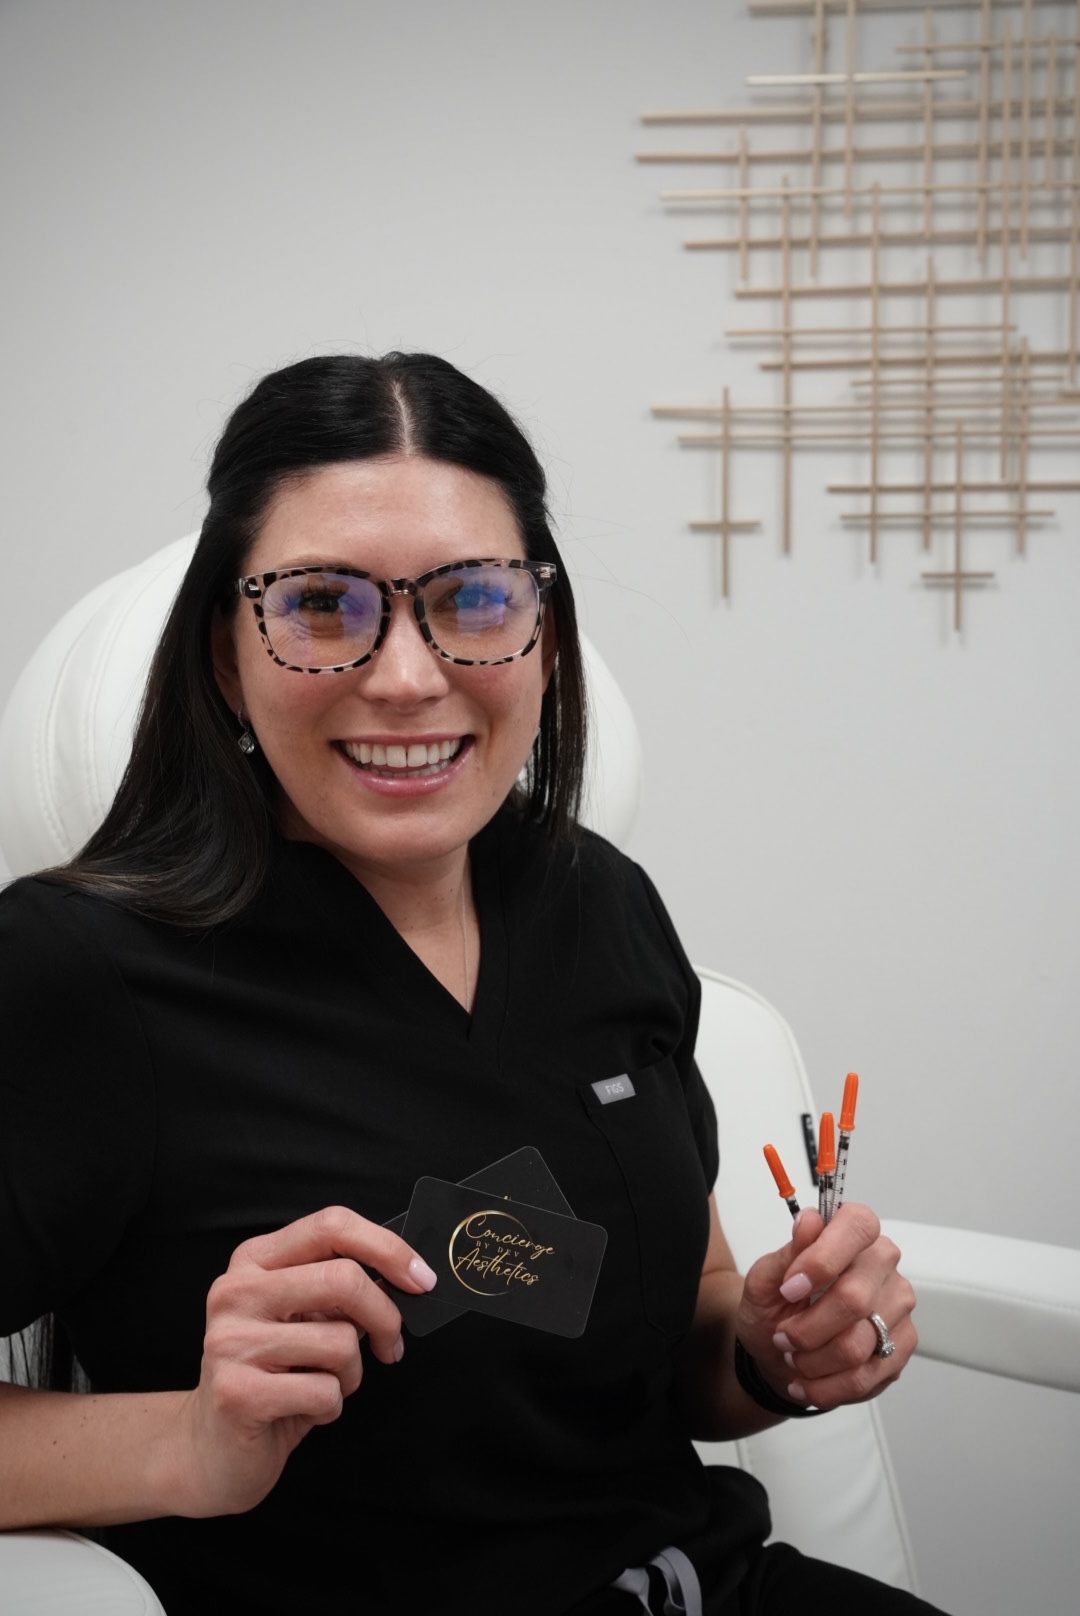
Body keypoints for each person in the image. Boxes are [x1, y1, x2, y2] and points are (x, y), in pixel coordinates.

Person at [0, 353, 941, 1615]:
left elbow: (690, 1330)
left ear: (543, 635)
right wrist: (187, 1441)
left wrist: (779, 1348)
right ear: (227, 656)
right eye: (321, 604)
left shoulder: (599, 901)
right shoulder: (78, 970)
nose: (404, 677)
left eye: (476, 597)